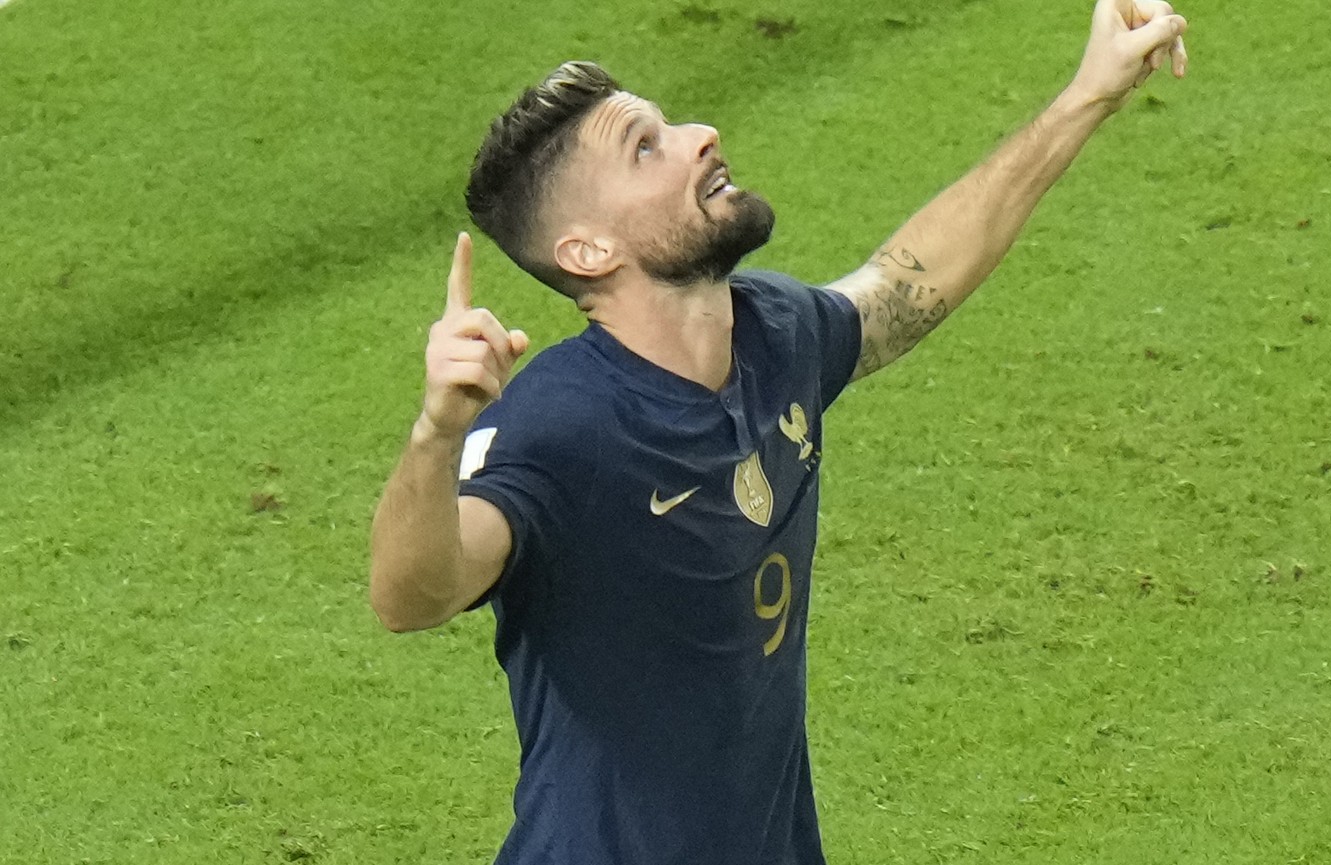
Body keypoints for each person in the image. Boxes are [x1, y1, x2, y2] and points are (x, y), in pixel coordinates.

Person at [369, 1, 1189, 861]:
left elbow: (904, 286)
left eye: (672, 123)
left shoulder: (774, 334)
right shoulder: (561, 423)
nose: (703, 135)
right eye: (646, 146)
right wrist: (434, 435)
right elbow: (410, 596)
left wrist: (1085, 96)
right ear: (588, 252)